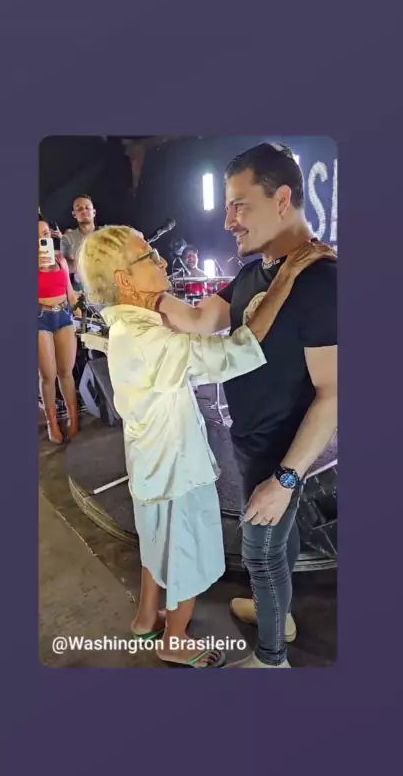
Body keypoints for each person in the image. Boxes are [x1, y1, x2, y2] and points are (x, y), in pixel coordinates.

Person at [77, 224, 325, 669]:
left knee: (156, 542)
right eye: (148, 256)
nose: (160, 260)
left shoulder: (132, 326)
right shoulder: (148, 339)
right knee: (186, 555)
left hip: (150, 466)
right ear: (124, 281)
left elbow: (197, 330)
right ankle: (174, 638)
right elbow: (234, 351)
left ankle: (146, 618)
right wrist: (286, 277)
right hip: (177, 470)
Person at [156, 142, 338, 668]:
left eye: (239, 205)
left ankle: (272, 660)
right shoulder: (257, 271)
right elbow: (198, 320)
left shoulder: (322, 281)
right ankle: (276, 614)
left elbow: (333, 395)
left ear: (281, 199)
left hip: (282, 449)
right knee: (275, 543)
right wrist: (139, 291)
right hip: (249, 437)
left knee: (260, 548)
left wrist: (285, 479)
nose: (228, 221)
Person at [38, 215, 81, 444]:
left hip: (63, 315)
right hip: (39, 318)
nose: (41, 239)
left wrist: (80, 314)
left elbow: (70, 293)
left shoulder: (61, 260)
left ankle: (73, 419)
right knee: (48, 375)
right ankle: (52, 423)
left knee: (66, 372)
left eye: (45, 234)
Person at [60, 195, 98, 289]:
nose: (84, 211)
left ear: (94, 212)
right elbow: (65, 267)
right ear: (74, 214)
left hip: (107, 284)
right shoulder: (67, 238)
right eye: (79, 209)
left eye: (87, 208)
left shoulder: (106, 233)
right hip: (82, 287)